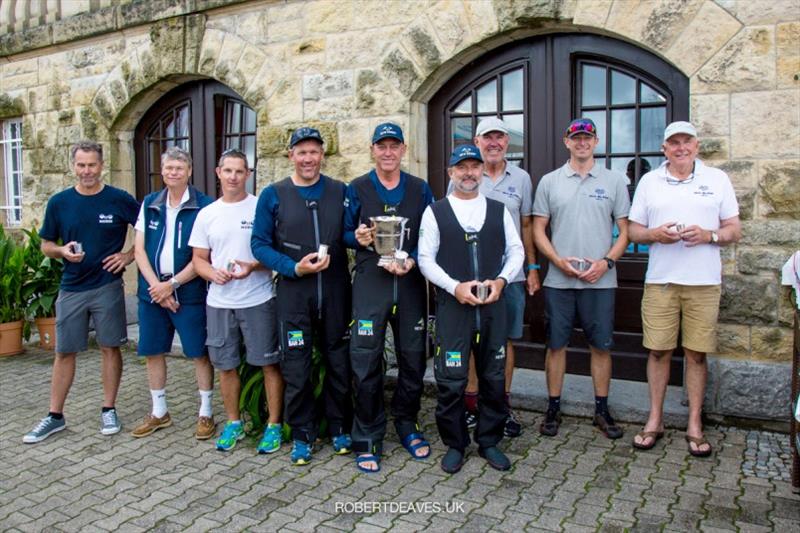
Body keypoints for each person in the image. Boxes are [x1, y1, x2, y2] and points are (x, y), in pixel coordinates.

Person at [629, 121, 740, 457]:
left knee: (696, 354)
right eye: (673, 143)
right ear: (664, 148)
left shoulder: (717, 179)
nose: (680, 148)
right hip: (661, 280)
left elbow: (734, 229)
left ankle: (694, 424)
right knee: (659, 351)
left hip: (704, 282)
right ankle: (655, 420)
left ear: (696, 146)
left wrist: (709, 236)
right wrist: (655, 235)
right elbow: (634, 231)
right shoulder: (650, 181)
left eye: (686, 142)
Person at [24, 140, 139, 443]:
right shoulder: (60, 202)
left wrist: (127, 256)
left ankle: (109, 409)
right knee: (64, 351)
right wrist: (61, 250)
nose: (86, 171)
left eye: (92, 165)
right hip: (72, 287)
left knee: (109, 347)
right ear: (73, 166)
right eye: (81, 165)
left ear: (102, 166)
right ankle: (54, 416)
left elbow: (147, 229)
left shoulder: (119, 199)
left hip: (107, 286)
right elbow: (46, 244)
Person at [418, 144, 524, 473]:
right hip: (454, 309)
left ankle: (489, 441)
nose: (468, 173)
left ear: (482, 171)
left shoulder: (498, 210)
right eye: (461, 167)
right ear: (451, 173)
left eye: (474, 167)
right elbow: (425, 259)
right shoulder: (435, 211)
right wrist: (454, 287)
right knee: (451, 380)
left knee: (493, 378)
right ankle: (455, 443)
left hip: (493, 308)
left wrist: (503, 281)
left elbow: (516, 250)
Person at [251, 127, 352, 465]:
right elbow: (259, 245)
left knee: (339, 364)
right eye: (301, 152)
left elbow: (350, 235)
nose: (308, 158)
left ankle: (339, 428)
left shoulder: (340, 191)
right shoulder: (273, 194)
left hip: (336, 293)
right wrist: (293, 267)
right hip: (295, 294)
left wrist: (364, 237)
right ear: (290, 155)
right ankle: (303, 435)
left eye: (314, 151)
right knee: (296, 367)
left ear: (323, 154)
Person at [344, 123, 434, 473]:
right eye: (381, 146)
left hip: (409, 283)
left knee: (413, 359)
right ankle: (367, 435)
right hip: (371, 283)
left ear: (403, 149)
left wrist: (411, 257)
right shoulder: (358, 188)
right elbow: (344, 235)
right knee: (365, 361)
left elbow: (429, 235)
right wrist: (360, 238)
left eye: (393, 146)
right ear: (373, 150)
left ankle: (407, 423)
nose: (387, 152)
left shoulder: (420, 189)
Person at [532, 118, 630, 440]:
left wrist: (606, 262)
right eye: (577, 138)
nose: (582, 143)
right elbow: (537, 229)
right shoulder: (549, 181)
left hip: (599, 281)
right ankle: (552, 407)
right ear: (567, 141)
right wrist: (557, 261)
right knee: (556, 345)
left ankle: (601, 410)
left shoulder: (615, 181)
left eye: (588, 137)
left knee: (601, 346)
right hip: (559, 281)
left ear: (596, 141)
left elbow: (625, 232)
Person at [449, 117, 540, 438]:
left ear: (506, 143)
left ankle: (502, 404)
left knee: (504, 341)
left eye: (499, 137)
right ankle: (473, 407)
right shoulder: (464, 174)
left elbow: (527, 225)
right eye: (488, 137)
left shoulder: (522, 178)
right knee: (474, 341)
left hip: (510, 277)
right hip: (471, 277)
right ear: (477, 141)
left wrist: (531, 267)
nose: (494, 143)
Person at [190, 149, 284, 453]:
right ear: (218, 173)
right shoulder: (207, 214)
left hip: (258, 300)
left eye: (239, 171)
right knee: (226, 366)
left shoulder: (261, 207)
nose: (233, 177)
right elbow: (199, 259)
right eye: (227, 171)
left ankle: (273, 425)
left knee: (269, 364)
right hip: (219, 302)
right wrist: (211, 275)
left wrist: (253, 266)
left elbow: (273, 255)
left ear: (248, 174)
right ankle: (233, 423)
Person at [130, 147, 215, 440]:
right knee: (153, 351)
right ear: (162, 171)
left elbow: (202, 256)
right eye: (168, 168)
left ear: (189, 171)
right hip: (152, 293)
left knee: (198, 352)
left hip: (188, 292)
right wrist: (157, 287)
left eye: (179, 167)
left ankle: (206, 413)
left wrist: (173, 285)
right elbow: (139, 249)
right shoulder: (150, 203)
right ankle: (159, 412)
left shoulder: (204, 206)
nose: (173, 172)